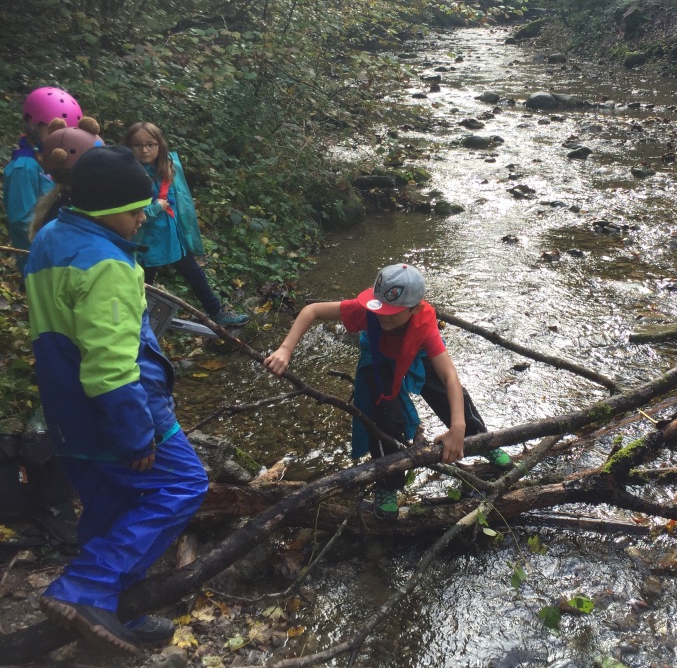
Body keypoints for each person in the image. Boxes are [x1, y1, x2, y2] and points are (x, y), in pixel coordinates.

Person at [26, 146, 209, 654]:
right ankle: (87, 585)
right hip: (119, 410)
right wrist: (136, 433)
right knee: (184, 484)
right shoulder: (106, 264)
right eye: (135, 212)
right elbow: (110, 365)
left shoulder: (51, 237)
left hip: (68, 412)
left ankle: (111, 605)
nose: (142, 220)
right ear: (107, 211)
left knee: (109, 503)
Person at [263, 263, 513, 518]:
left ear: (414, 308)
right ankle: (388, 484)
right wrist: (285, 349)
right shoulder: (367, 310)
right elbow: (312, 310)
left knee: (445, 393)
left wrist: (457, 428)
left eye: (392, 313)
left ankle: (482, 441)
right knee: (383, 416)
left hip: (416, 350)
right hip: (378, 354)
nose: (383, 316)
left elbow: (449, 376)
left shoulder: (424, 324)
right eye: (379, 308)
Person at [125, 121, 248, 327]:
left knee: (195, 274)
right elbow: (128, 214)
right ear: (129, 147)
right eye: (138, 145)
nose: (144, 150)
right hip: (144, 241)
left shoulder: (167, 169)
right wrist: (156, 208)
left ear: (160, 145)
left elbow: (180, 203)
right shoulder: (128, 175)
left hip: (172, 237)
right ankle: (137, 327)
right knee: (143, 285)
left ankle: (216, 312)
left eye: (150, 144)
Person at [3, 87, 80, 276]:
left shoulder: (54, 161)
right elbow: (23, 221)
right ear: (33, 124)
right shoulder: (24, 166)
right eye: (54, 128)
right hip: (41, 262)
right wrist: (59, 244)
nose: (61, 135)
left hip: (64, 257)